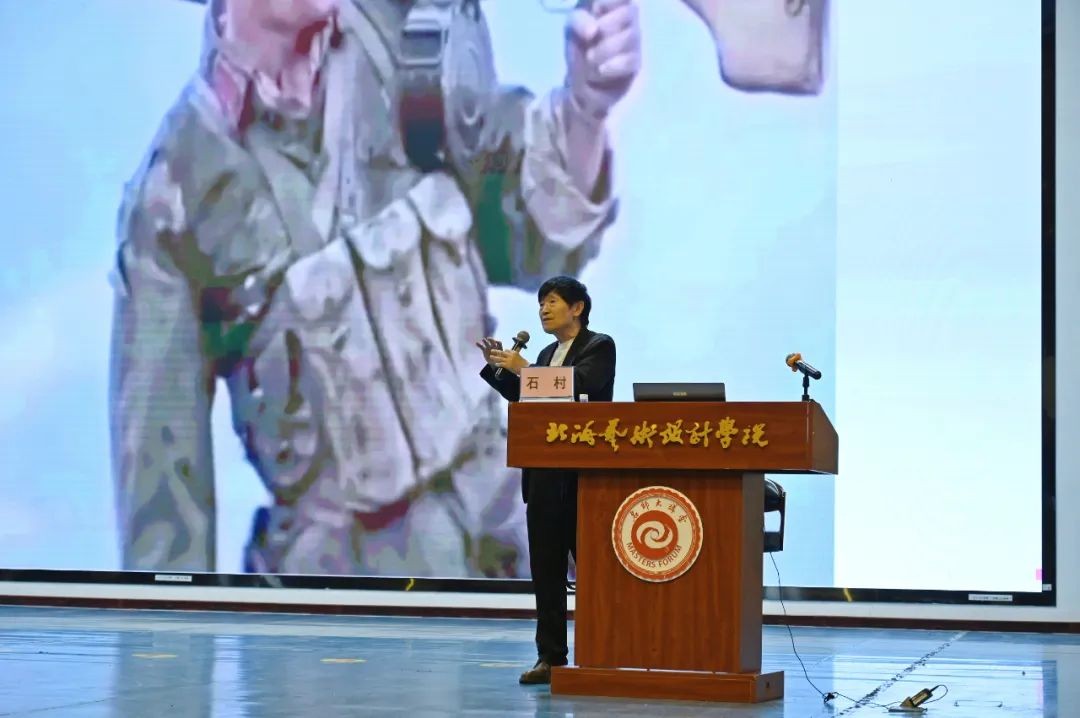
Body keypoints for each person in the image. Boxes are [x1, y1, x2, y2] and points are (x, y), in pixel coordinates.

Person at [109, 0, 641, 576]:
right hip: (355, 596)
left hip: (513, 521)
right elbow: (164, 519)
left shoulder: (409, 37)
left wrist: (585, 109)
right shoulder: (175, 195)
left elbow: (527, 237)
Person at [477, 275, 616, 685]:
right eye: (541, 302)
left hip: (581, 476)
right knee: (547, 570)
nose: (543, 309)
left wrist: (526, 369)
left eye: (552, 301)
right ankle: (550, 657)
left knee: (593, 568)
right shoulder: (545, 353)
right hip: (542, 475)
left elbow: (582, 385)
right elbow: (526, 396)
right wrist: (500, 369)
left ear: (577, 308)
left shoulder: (598, 346)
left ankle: (603, 652)